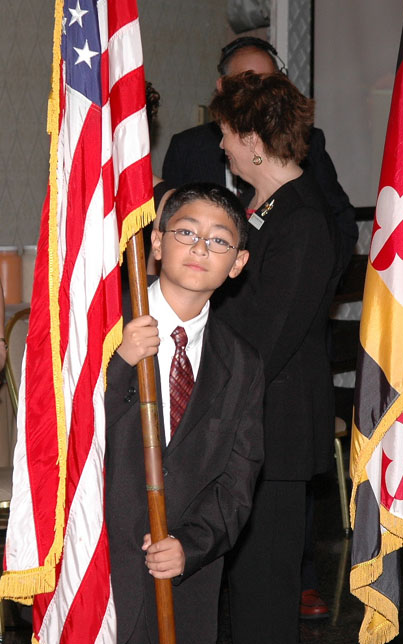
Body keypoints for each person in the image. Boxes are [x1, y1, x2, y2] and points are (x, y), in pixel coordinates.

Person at [210, 71, 343, 644]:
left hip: (274, 431)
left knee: (264, 589)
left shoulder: (303, 221)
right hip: (241, 424)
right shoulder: (256, 205)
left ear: (255, 141)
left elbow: (269, 338)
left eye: (227, 135)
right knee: (233, 587)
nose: (221, 146)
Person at [104, 183, 264, 643]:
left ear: (236, 264)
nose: (200, 248)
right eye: (186, 232)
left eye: (219, 240)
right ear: (156, 242)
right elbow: (63, 434)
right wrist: (120, 366)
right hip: (100, 563)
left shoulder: (241, 363)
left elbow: (238, 481)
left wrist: (190, 547)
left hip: (184, 579)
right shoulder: (107, 325)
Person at [162, 36, 358, 268]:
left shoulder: (308, 142)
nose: (262, 99)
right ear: (223, 89)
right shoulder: (188, 147)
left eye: (269, 84)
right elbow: (170, 229)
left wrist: (320, 274)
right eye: (249, 87)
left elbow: (341, 224)